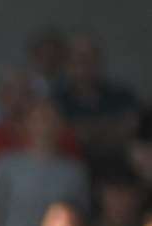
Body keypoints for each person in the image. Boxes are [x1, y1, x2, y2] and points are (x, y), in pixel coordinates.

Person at [53, 33, 139, 184]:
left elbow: (129, 130)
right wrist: (108, 127)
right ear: (67, 62)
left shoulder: (122, 95)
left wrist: (84, 130)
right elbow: (61, 135)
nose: (84, 64)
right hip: (70, 174)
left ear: (99, 60)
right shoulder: (56, 99)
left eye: (90, 57)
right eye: (78, 58)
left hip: (119, 175)